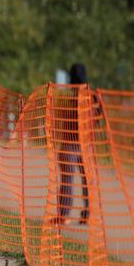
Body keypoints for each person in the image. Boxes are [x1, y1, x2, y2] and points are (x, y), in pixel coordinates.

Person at [55, 63, 91, 225]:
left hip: (70, 143)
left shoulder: (71, 98)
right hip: (86, 143)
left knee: (68, 179)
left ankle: (64, 215)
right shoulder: (91, 97)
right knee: (87, 180)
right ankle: (87, 213)